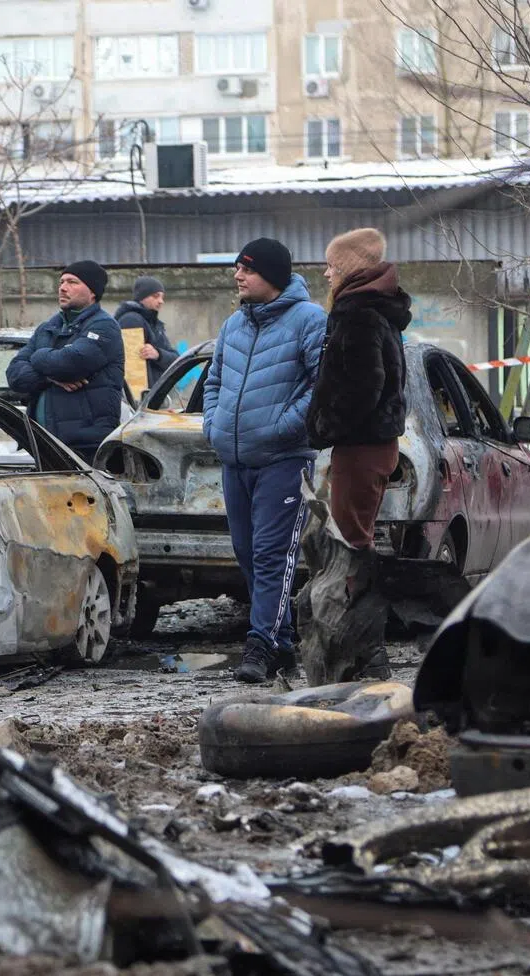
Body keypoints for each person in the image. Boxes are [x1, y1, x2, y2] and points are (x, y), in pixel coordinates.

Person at [203, 238, 327, 684]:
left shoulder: (310, 320)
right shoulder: (234, 324)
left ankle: (260, 644)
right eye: (237, 268)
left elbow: (322, 386)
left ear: (272, 276)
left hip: (283, 459)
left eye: (247, 270)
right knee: (246, 553)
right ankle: (282, 642)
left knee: (272, 553)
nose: (238, 276)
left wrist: (282, 428)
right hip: (235, 460)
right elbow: (213, 381)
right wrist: (213, 426)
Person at [308, 227, 410, 548]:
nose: (327, 273)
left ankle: (350, 599)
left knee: (347, 543)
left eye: (333, 266)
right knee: (352, 537)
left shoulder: (358, 315)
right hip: (371, 445)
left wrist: (326, 426)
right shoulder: (374, 310)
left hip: (361, 448)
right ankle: (353, 595)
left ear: (349, 269)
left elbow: (365, 386)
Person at [6, 261, 125, 462]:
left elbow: (69, 365)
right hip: (42, 444)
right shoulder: (48, 327)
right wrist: (49, 377)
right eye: (61, 282)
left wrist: (38, 357)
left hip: (85, 447)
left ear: (93, 291)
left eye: (72, 282)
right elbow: (15, 376)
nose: (63, 287)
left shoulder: (105, 327)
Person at [114, 276, 179, 390]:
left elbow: (176, 360)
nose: (161, 301)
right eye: (155, 296)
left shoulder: (154, 323)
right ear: (142, 297)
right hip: (143, 397)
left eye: (162, 297)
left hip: (154, 395)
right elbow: (132, 372)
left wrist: (158, 354)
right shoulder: (132, 320)